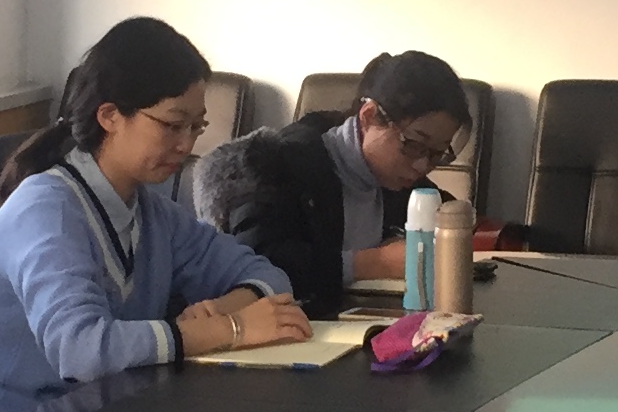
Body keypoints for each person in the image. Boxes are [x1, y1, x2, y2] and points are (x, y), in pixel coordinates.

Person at [0, 18, 310, 412]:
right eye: (172, 125)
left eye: (196, 126)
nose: (187, 144)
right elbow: (80, 351)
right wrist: (229, 329)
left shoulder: (149, 210)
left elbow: (268, 276)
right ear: (110, 115)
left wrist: (220, 310)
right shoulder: (47, 210)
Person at [192, 49, 473, 315]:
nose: (422, 165)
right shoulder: (279, 164)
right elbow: (258, 264)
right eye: (413, 145)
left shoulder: (395, 175)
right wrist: (374, 263)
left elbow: (448, 213)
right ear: (369, 116)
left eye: (437, 153)